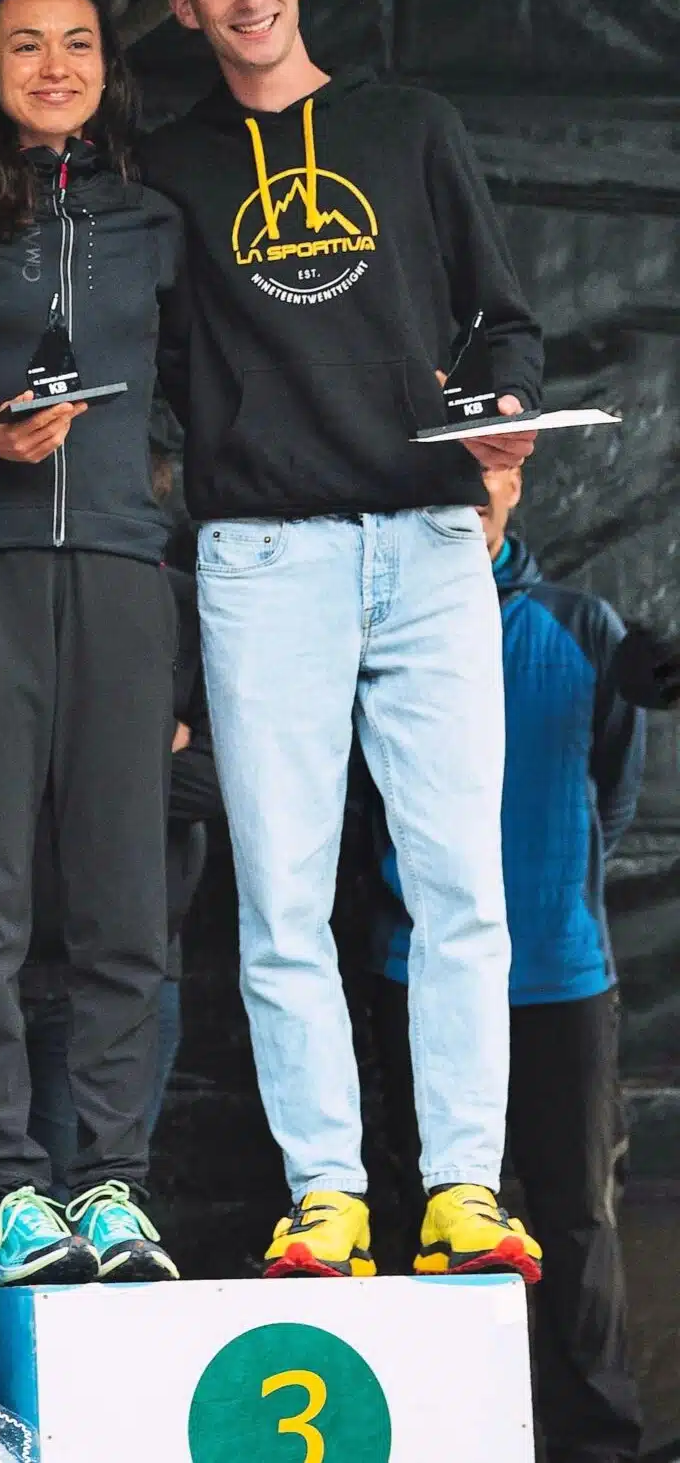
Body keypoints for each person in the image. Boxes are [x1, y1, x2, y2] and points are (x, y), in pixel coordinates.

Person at [142, 0, 547, 1279]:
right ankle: (325, 1193)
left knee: (459, 882)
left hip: (430, 541)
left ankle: (462, 1188)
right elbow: (153, 357)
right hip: (264, 555)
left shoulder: (407, 125)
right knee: (282, 897)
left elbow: (504, 321)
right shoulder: (170, 165)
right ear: (184, 6)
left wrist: (503, 423)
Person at [0, 0, 181, 1282]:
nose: (55, 66)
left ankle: (115, 1177)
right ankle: (8, 1178)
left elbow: (196, 404)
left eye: (77, 43)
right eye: (26, 45)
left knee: (124, 894)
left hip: (124, 570)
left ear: (108, 68)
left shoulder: (152, 216)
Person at [373, 464, 644, 1462]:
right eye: (453, 463)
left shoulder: (580, 627)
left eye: (491, 462)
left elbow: (611, 790)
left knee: (575, 1220)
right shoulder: (382, 626)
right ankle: (444, 1434)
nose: (471, 485)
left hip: (557, 979)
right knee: (425, 1219)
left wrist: (546, 894)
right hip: (418, 979)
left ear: (519, 481)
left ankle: (594, 1442)